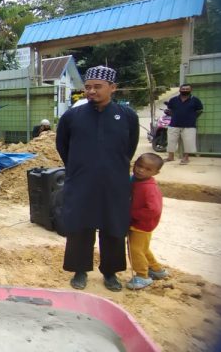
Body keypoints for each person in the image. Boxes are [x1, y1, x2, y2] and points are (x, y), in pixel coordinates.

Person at [56, 65, 139, 292]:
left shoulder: (127, 116)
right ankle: (79, 270)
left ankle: (110, 272)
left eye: (98, 87)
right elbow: (62, 145)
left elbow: (129, 148)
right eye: (88, 87)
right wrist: (78, 167)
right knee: (80, 226)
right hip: (81, 181)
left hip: (114, 183)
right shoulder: (73, 116)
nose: (91, 91)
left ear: (113, 88)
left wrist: (112, 167)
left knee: (113, 226)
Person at [126, 153, 169, 290]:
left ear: (156, 172)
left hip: (142, 225)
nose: (141, 170)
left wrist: (131, 214)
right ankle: (157, 270)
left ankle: (142, 275)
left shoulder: (149, 187)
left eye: (147, 169)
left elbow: (153, 210)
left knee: (135, 250)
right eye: (139, 166)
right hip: (138, 223)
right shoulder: (136, 180)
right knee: (143, 248)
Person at [165, 84, 204, 165]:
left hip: (189, 125)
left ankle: (186, 158)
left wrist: (193, 117)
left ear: (190, 90)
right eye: (183, 89)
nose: (185, 90)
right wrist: (171, 114)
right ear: (180, 90)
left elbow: (200, 110)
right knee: (171, 141)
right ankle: (170, 157)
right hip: (174, 124)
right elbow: (169, 110)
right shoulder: (173, 100)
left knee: (188, 142)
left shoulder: (195, 100)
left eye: (187, 89)